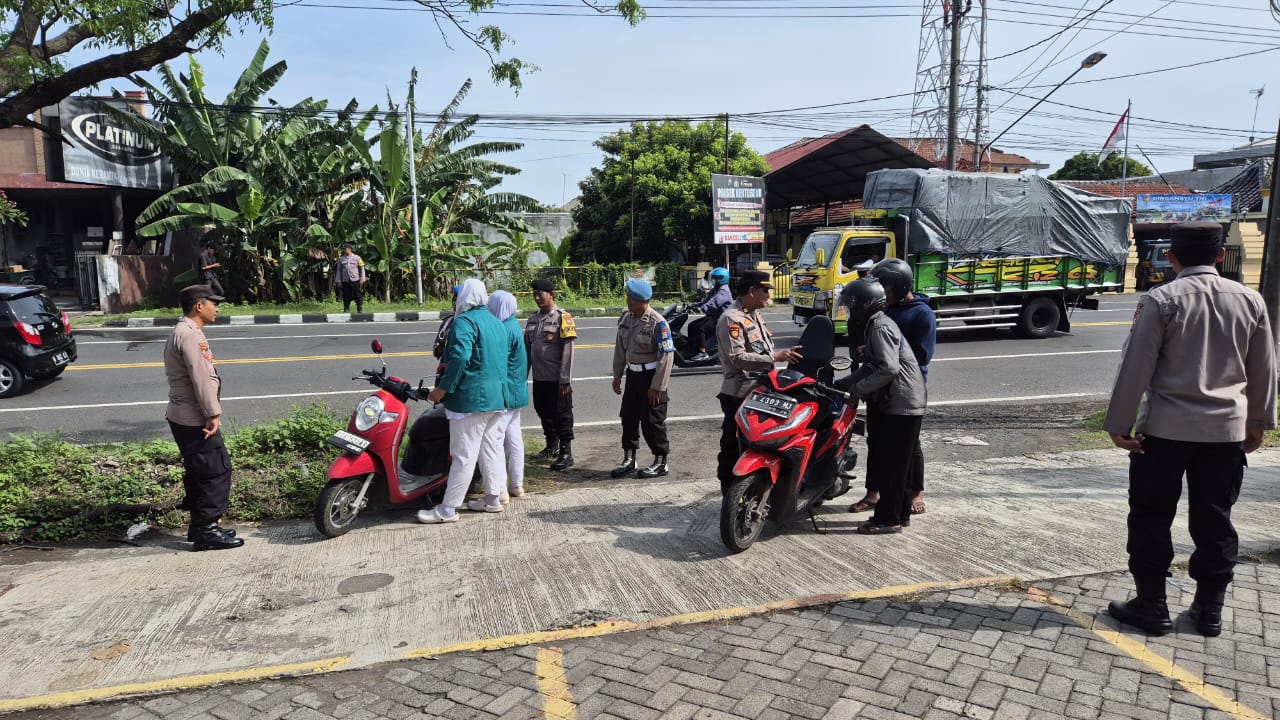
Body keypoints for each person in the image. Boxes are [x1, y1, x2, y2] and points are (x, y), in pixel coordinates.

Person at [1102, 221, 1276, 637]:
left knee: (1151, 517)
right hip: (1225, 432)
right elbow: (1264, 368)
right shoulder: (1250, 300)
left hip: (1163, 431)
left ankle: (1152, 605)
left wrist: (1119, 424)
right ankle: (1209, 610)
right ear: (1220, 256)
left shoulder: (1162, 299)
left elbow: (1135, 366)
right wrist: (1259, 421)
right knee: (1215, 518)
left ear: (1172, 257)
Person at [849, 258, 937, 515]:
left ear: (898, 286)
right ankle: (873, 493)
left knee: (909, 448)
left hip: (904, 390)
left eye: (884, 287)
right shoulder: (883, 310)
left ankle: (913, 492)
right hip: (878, 387)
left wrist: (887, 351)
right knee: (876, 442)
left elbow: (922, 355)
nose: (880, 293)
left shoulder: (921, 313)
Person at [838, 277, 926, 534]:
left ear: (867, 303)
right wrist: (844, 383)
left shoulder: (879, 327)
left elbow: (888, 368)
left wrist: (856, 390)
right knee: (896, 464)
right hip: (900, 401)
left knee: (892, 465)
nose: (850, 310)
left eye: (853, 305)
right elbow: (870, 366)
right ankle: (899, 515)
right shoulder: (875, 323)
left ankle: (888, 520)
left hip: (902, 403)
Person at [419, 279, 509, 523]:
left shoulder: (464, 322)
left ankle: (448, 509)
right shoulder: (496, 322)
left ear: (464, 297)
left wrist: (442, 390)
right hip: (496, 400)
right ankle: (493, 499)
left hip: (471, 401)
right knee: (489, 449)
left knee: (463, 455)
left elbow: (458, 358)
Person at [164, 284, 243, 551]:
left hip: (182, 414)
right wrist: (213, 414)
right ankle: (207, 528)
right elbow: (201, 378)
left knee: (200, 473)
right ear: (200, 306)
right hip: (195, 417)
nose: (217, 307)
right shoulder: (190, 336)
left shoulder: (183, 330)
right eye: (213, 302)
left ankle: (200, 527)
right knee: (216, 471)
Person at [714, 270, 802, 494]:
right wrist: (776, 357)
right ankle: (729, 492)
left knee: (763, 443)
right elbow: (737, 359)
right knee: (733, 445)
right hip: (740, 392)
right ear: (752, 291)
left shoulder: (753, 314)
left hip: (760, 391)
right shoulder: (732, 319)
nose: (768, 295)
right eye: (765, 290)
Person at [609, 278, 675, 478]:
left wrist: (658, 386)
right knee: (628, 418)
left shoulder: (658, 323)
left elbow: (667, 356)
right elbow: (620, 349)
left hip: (651, 377)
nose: (627, 300)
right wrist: (617, 375)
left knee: (652, 421)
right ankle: (629, 459)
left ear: (640, 300)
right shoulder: (626, 317)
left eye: (631, 297)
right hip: (633, 376)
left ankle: (661, 461)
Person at [525, 278, 577, 470]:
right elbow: (526, 352)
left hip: (558, 380)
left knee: (562, 415)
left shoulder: (563, 318)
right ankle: (551, 446)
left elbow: (568, 351)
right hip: (540, 378)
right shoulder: (533, 320)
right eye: (535, 294)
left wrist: (565, 380)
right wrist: (523, 377)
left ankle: (566, 452)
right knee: (544, 412)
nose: (537, 298)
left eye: (541, 294)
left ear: (551, 295)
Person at [485, 290, 529, 499]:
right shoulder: (513, 325)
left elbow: (496, 362)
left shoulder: (502, 329)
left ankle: (500, 489)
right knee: (514, 438)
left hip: (505, 393)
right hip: (517, 391)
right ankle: (517, 485)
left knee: (495, 439)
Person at [687, 267, 732, 362]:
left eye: (715, 278)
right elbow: (706, 300)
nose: (712, 280)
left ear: (721, 279)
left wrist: (702, 308)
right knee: (692, 326)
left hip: (721, 319)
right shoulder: (716, 289)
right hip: (713, 317)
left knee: (700, 328)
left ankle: (703, 353)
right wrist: (692, 305)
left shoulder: (724, 290)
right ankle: (694, 349)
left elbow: (714, 302)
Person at [334, 243, 367, 313]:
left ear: (349, 249)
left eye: (345, 249)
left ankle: (359, 308)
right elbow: (338, 270)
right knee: (346, 295)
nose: (344, 250)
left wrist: (362, 278)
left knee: (357, 294)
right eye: (344, 249)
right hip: (345, 280)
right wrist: (338, 280)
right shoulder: (341, 259)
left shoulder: (357, 257)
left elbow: (362, 268)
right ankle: (346, 308)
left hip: (355, 279)